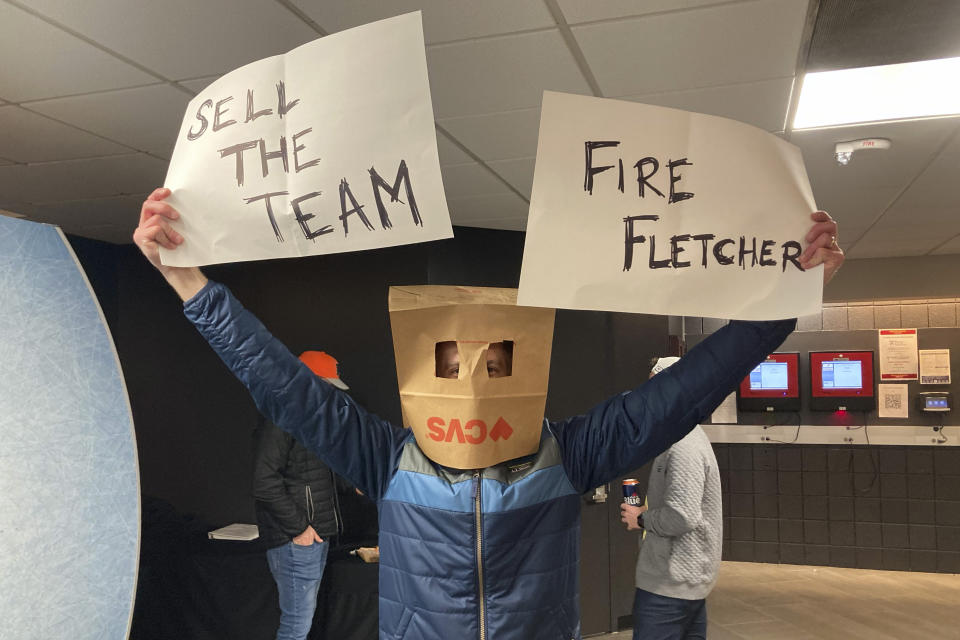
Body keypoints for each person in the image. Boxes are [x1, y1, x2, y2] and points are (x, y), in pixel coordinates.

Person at [133, 187, 843, 639]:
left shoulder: (572, 454)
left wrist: (786, 305)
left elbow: (687, 387)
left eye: (497, 363)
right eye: (453, 365)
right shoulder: (387, 458)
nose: (474, 379)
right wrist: (187, 282)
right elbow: (282, 384)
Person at [620, 356, 720, 640]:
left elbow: (682, 516)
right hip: (684, 584)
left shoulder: (683, 445)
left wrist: (640, 518)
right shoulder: (683, 437)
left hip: (669, 586)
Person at [253, 350, 348, 640]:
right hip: (296, 540)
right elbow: (264, 482)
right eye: (327, 386)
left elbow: (319, 472)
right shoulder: (281, 417)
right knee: (296, 627)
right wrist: (300, 530)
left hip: (314, 536)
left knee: (302, 624)